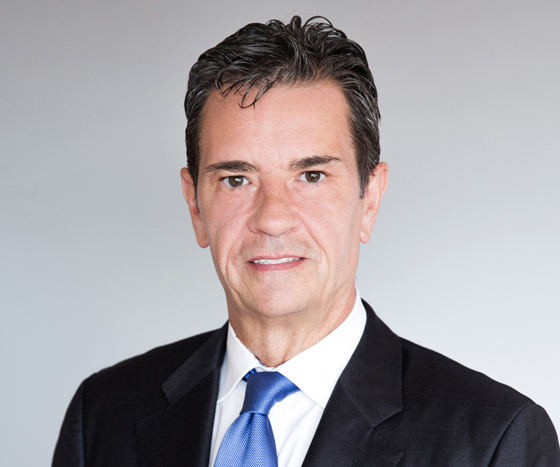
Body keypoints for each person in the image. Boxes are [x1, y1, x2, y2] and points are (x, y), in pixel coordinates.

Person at [52, 16, 559, 467]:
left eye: (311, 176)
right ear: (195, 205)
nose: (273, 219)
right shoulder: (102, 414)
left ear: (369, 198)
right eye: (236, 179)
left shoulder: (494, 440)